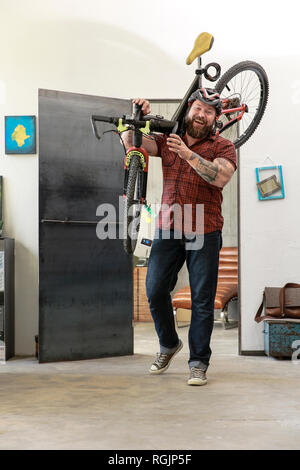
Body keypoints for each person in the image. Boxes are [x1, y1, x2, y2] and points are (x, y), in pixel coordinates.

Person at [123, 88, 237, 386]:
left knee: (202, 299)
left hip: (205, 229)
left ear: (216, 118)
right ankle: (169, 343)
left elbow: (220, 177)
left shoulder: (224, 146)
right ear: (189, 109)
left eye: (209, 112)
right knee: (154, 289)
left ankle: (198, 363)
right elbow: (131, 143)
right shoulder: (167, 139)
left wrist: (187, 153)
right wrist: (137, 116)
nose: (201, 115)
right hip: (169, 227)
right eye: (198, 109)